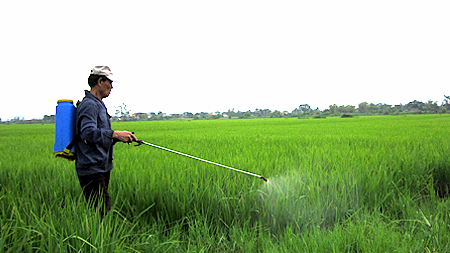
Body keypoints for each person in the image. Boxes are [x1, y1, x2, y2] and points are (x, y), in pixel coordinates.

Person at [75, 66, 136, 217]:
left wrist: (119, 137)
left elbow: (99, 137)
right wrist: (115, 134)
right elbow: (87, 133)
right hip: (91, 168)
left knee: (101, 211)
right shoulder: (89, 105)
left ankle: (100, 238)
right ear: (100, 81)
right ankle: (100, 239)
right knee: (101, 212)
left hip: (101, 166)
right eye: (110, 82)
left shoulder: (98, 104)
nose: (112, 86)